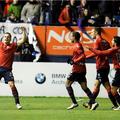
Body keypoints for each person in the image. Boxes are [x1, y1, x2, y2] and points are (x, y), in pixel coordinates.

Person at [84, 27, 119, 109]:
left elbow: (98, 53)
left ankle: (115, 104)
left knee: (108, 88)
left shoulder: (97, 41)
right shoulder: (105, 41)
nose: (91, 33)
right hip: (105, 66)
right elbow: (107, 53)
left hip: (101, 66)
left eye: (92, 32)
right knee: (96, 85)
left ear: (96, 32)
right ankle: (90, 103)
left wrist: (86, 56)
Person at [65, 31, 98, 110]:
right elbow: (79, 56)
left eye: (71, 36)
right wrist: (72, 60)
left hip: (77, 69)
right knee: (84, 87)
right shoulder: (78, 45)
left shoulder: (77, 45)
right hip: (82, 69)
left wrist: (74, 61)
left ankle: (74, 103)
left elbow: (83, 56)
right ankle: (94, 102)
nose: (70, 37)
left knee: (67, 84)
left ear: (74, 37)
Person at [0, 27, 27, 109]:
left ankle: (17, 103)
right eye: (5, 37)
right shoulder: (0, 44)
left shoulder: (13, 46)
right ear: (3, 38)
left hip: (7, 70)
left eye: (8, 37)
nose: (6, 38)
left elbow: (23, 40)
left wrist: (23, 31)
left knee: (12, 85)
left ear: (10, 39)